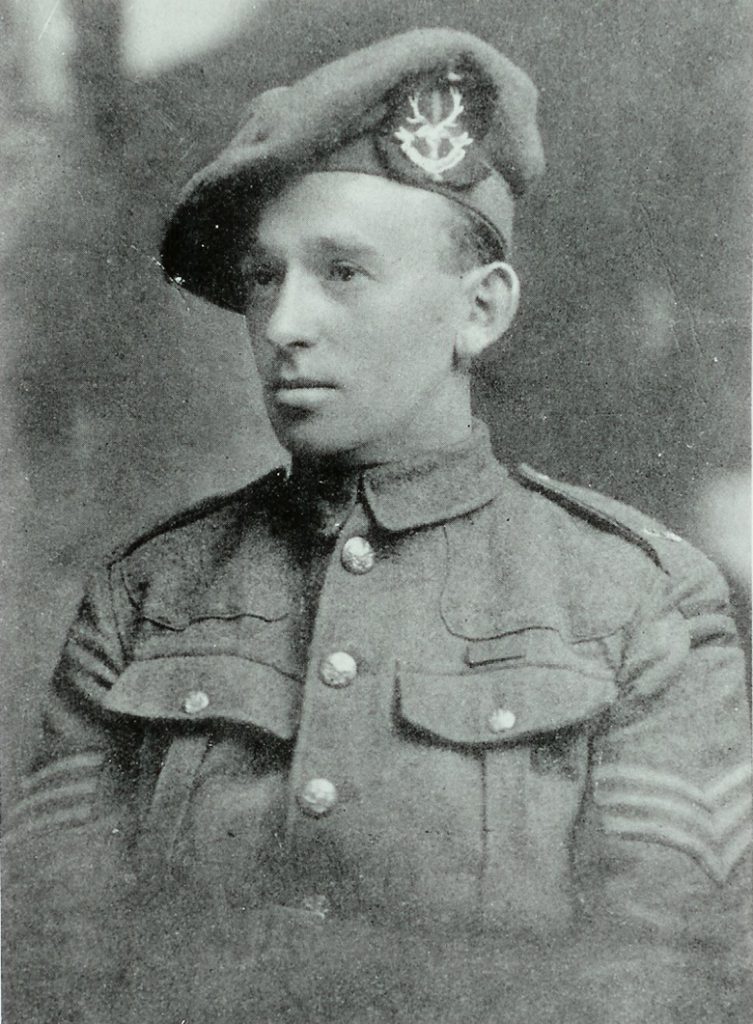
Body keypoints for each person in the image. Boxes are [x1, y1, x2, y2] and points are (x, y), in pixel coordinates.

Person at [3, 27, 750, 1024]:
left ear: (480, 310)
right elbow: (51, 970)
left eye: (343, 273)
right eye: (266, 277)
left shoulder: (643, 605)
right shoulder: (145, 598)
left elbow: (667, 980)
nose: (284, 324)